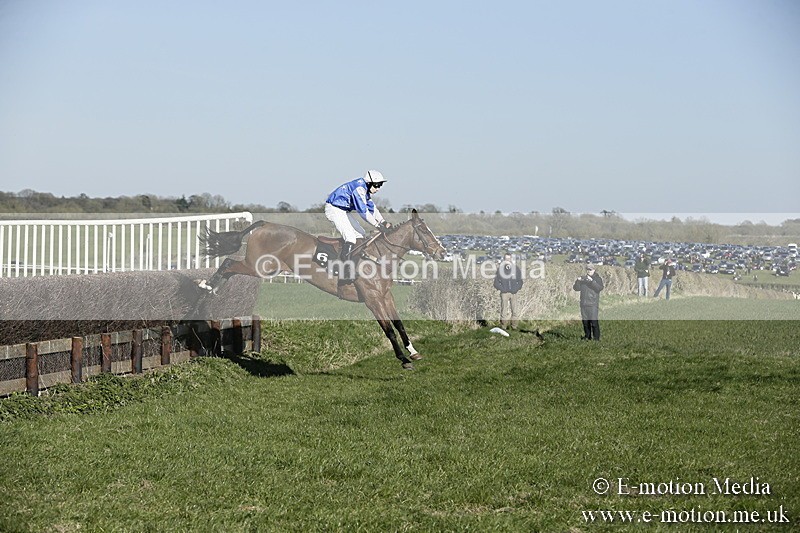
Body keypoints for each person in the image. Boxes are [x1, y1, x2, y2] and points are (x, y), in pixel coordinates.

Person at [324, 170, 392, 278]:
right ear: (369, 183)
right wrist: (378, 225)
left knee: (361, 233)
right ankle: (343, 268)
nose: (378, 188)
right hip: (334, 209)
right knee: (350, 237)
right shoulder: (359, 189)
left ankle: (353, 263)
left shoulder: (365, 190)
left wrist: (383, 221)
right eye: (377, 185)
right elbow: (363, 212)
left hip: (342, 210)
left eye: (380, 185)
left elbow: (372, 208)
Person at [573, 264, 604, 341]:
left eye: (590, 269)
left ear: (594, 270)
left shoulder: (597, 279)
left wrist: (591, 281)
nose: (588, 271)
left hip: (593, 304)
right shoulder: (583, 279)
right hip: (583, 303)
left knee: (594, 322)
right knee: (585, 322)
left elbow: (599, 288)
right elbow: (576, 288)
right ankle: (587, 336)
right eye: (587, 269)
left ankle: (596, 338)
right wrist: (577, 281)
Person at [493, 253, 524, 329]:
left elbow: (520, 281)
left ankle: (514, 327)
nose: (507, 260)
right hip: (504, 293)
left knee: (515, 311)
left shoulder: (516, 269)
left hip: (514, 293)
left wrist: (516, 289)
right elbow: (496, 283)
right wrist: (503, 289)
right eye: (506, 259)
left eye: (509, 259)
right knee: (504, 311)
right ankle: (503, 327)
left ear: (511, 259)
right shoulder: (500, 269)